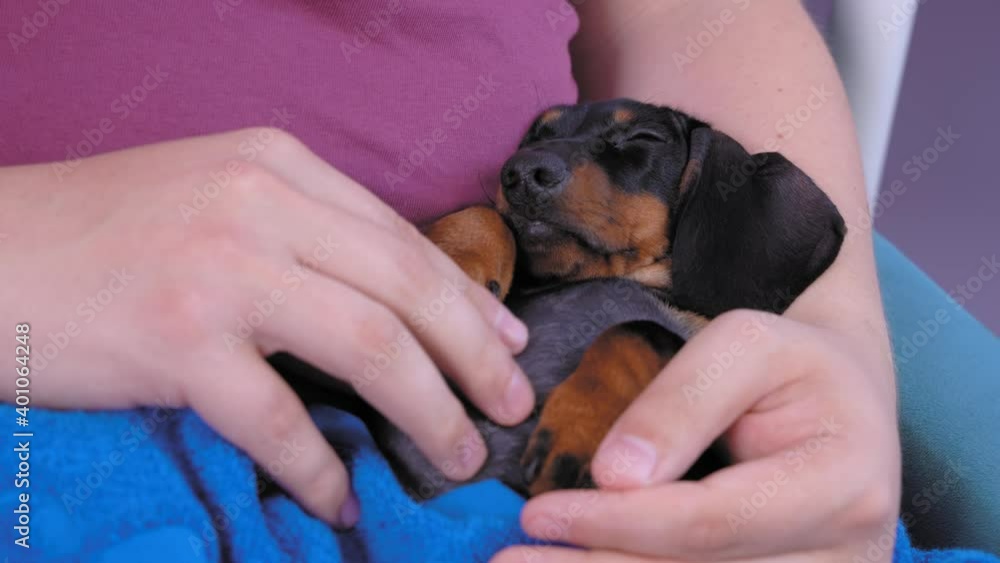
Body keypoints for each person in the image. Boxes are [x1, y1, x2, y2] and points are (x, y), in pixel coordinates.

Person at [0, 1, 900, 561]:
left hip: (649, 491)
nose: (536, 169)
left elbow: (684, 11)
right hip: (48, 412)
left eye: (628, 151)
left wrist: (832, 358)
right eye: (542, 149)